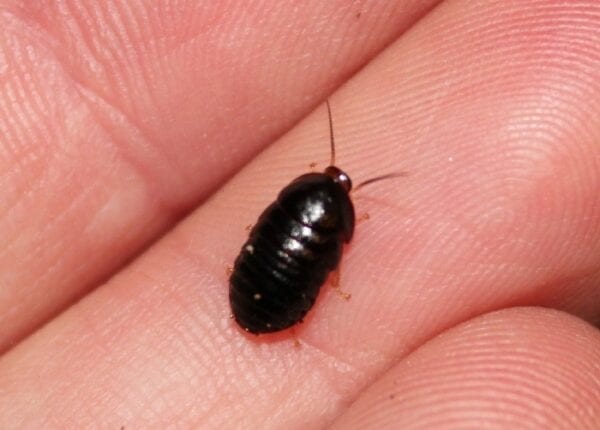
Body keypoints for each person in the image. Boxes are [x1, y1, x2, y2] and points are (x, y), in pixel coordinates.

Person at [0, 2, 599, 428]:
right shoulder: (326, 216)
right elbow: (306, 244)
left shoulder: (308, 206)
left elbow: (289, 237)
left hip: (272, 288)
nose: (337, 180)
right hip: (267, 286)